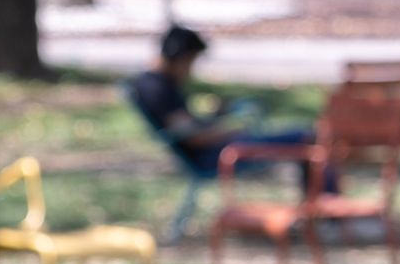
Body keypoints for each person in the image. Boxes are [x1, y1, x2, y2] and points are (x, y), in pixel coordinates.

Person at [129, 24, 331, 188]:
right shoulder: (157, 88)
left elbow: (188, 127)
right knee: (307, 139)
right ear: (180, 58)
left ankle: (319, 213)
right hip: (217, 155)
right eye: (191, 62)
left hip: (219, 149)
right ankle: (329, 214)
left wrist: (215, 116)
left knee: (305, 138)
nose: (190, 70)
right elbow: (195, 138)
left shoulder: (155, 83)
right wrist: (231, 133)